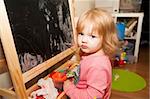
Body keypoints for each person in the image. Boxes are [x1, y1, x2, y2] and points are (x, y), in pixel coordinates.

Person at [63, 8, 118, 99]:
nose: (84, 40)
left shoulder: (98, 66)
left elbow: (92, 96)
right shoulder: (92, 53)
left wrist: (69, 89)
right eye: (81, 33)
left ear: (106, 38)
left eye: (92, 36)